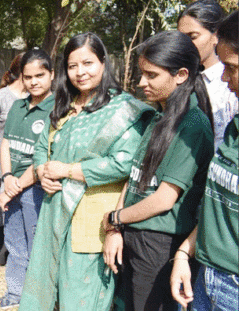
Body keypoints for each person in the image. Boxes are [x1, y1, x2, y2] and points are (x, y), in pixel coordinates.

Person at [19, 32, 155, 311]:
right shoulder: (64, 105)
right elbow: (42, 146)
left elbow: (125, 162)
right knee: (49, 289)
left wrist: (68, 170)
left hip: (92, 219)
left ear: (103, 63)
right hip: (54, 213)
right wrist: (42, 171)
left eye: (88, 63)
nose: (80, 72)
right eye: (72, 66)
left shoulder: (123, 109)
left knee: (83, 297)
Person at [102, 31, 214, 311]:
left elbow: (163, 199)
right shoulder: (158, 117)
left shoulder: (192, 125)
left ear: (181, 75)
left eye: (151, 75)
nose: (141, 83)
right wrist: (116, 227)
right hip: (135, 235)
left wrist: (115, 217)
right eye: (142, 74)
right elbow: (135, 177)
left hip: (159, 246)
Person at [170, 10, 238, 311]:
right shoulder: (235, 128)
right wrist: (186, 251)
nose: (224, 77)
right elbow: (220, 202)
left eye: (232, 68)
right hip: (208, 277)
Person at [0, 49, 54, 309]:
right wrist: (6, 177)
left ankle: (39, 299)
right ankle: (15, 295)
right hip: (11, 186)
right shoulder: (17, 105)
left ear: (52, 74)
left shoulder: (58, 109)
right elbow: (5, 144)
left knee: (39, 248)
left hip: (36, 190)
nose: (34, 81)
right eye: (28, 77)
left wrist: (14, 187)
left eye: (40, 75)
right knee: (15, 245)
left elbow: (44, 157)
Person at [0, 52, 27, 270]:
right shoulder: (0, 98)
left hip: (29, 167)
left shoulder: (42, 99)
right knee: (5, 213)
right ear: (21, 72)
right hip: (3, 167)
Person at [178, 0, 238, 150]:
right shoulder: (182, 78)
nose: (185, 45)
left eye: (193, 36)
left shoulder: (230, 84)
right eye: (181, 38)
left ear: (215, 35)